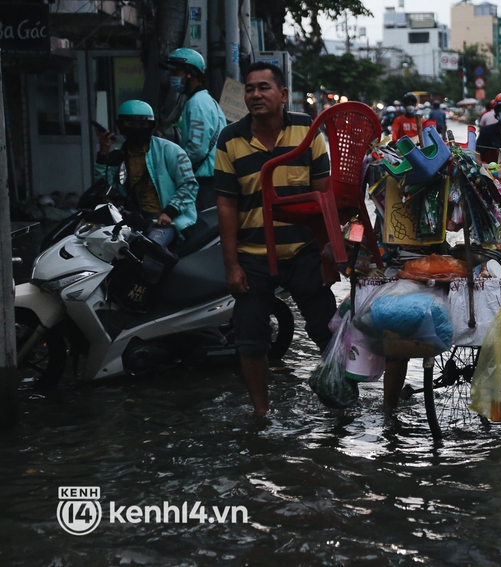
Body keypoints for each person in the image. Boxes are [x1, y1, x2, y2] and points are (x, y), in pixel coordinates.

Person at [215, 61, 337, 416]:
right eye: (250, 88)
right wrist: (231, 265)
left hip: (302, 251)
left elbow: (322, 198)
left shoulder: (308, 131)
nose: (255, 94)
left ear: (283, 94)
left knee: (327, 329)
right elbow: (226, 204)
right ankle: (261, 412)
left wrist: (329, 254)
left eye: (263, 87)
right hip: (253, 255)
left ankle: (341, 400)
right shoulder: (230, 139)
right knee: (250, 337)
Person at [95, 100, 198, 248]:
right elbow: (105, 185)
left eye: (142, 125)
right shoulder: (120, 156)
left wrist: (169, 212)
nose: (137, 129)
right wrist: (103, 152)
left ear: (151, 126)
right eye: (131, 125)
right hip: (132, 219)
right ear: (121, 126)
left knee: (149, 250)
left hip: (164, 220)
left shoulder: (170, 151)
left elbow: (189, 185)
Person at [163, 48, 227, 211]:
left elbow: (197, 149)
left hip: (205, 182)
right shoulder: (204, 99)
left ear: (190, 74)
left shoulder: (197, 103)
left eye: (177, 72)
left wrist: (174, 168)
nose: (173, 77)